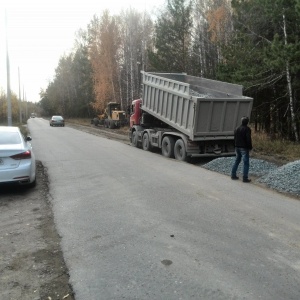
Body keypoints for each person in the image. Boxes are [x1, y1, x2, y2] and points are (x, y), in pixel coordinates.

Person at [231, 116, 253, 182]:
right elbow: (248, 139)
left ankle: (233, 175)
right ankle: (245, 178)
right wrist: (250, 147)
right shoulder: (247, 129)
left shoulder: (237, 128)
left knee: (237, 161)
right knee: (246, 162)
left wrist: (234, 145)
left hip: (237, 147)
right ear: (247, 122)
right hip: (244, 148)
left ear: (241, 121)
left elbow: (234, 138)